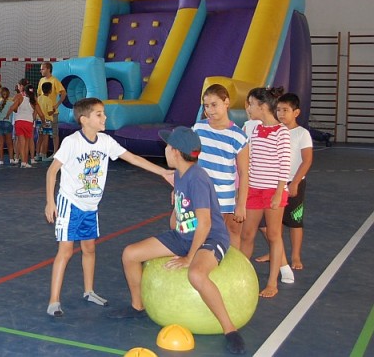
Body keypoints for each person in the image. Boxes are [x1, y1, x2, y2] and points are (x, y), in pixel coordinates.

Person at [106, 126, 245, 355]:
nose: (165, 150)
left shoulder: (197, 177)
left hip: (210, 237)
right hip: (183, 235)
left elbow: (205, 223)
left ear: (177, 152)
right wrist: (176, 209)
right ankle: (137, 305)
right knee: (130, 254)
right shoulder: (179, 174)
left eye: (168, 147)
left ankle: (230, 329)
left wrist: (190, 257)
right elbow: (179, 220)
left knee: (196, 274)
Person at [45, 98, 173, 318]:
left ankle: (89, 291)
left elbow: (132, 158)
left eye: (103, 113)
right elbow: (51, 171)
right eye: (99, 114)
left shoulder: (105, 141)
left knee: (90, 249)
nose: (104, 117)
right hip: (71, 203)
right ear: (84, 120)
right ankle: (54, 301)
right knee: (65, 252)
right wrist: (50, 201)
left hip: (91, 206)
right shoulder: (72, 142)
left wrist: (162, 172)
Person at [240, 87, 291, 298]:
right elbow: (249, 161)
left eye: (251, 104)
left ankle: (272, 283)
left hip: (273, 191)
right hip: (254, 188)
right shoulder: (254, 129)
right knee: (247, 233)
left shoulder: (282, 132)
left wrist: (279, 193)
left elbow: (284, 165)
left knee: (273, 234)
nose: (249, 108)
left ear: (262, 106)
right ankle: (241, 275)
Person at [255, 93, 313, 271]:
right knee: (274, 223)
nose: (281, 113)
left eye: (285, 110)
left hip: (293, 183)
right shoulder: (274, 130)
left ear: (296, 112)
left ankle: (295, 255)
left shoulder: (302, 134)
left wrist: (295, 182)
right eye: (278, 109)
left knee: (294, 221)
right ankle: (276, 254)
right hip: (273, 183)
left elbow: (306, 160)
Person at [192, 84, 249, 249]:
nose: (210, 110)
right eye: (206, 106)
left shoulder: (238, 136)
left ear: (226, 102)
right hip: (200, 191)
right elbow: (188, 161)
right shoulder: (198, 128)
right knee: (198, 231)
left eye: (214, 105)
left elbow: (244, 173)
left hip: (224, 196)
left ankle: (233, 272)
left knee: (229, 233)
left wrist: (241, 204)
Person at [38, 61, 66, 156]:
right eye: (41, 69)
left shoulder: (54, 81)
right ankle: (41, 153)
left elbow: (63, 93)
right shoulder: (41, 81)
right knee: (42, 134)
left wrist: (57, 104)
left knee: (54, 133)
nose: (41, 70)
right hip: (42, 113)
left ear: (48, 69)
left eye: (43, 69)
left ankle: (55, 152)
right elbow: (39, 94)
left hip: (52, 112)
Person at [9, 79, 39, 168]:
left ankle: (20, 158)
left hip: (20, 121)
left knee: (20, 141)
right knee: (27, 141)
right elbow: (37, 110)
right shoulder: (32, 98)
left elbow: (13, 107)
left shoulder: (19, 97)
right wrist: (34, 118)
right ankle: (28, 159)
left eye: (20, 86)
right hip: (28, 121)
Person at [0, 86, 14, 165]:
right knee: (9, 142)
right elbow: (15, 110)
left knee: (0, 143)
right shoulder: (11, 102)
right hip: (7, 122)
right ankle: (11, 159)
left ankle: (1, 160)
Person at [36, 81, 55, 161]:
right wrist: (53, 110)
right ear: (50, 91)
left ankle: (37, 155)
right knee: (46, 138)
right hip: (47, 121)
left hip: (39, 120)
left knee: (39, 138)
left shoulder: (39, 98)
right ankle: (44, 155)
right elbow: (49, 112)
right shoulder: (49, 100)